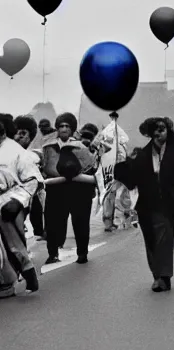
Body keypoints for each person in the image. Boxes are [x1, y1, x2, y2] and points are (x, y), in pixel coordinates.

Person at [115, 117, 174, 291]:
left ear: (168, 131)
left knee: (165, 240)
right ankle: (156, 275)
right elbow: (130, 181)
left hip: (167, 205)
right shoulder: (142, 155)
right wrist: (123, 162)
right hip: (146, 205)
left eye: (162, 129)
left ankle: (164, 277)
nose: (158, 133)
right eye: (155, 130)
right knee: (151, 241)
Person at [41, 113, 98, 265]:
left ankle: (82, 253)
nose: (64, 129)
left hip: (78, 189)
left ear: (72, 129)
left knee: (80, 221)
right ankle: (52, 253)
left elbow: (90, 167)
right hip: (56, 189)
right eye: (61, 126)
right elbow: (44, 167)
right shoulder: (48, 147)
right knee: (53, 222)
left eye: (67, 126)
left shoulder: (81, 146)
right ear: (57, 129)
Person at [0, 114, 42, 298]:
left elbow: (33, 180)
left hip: (10, 199)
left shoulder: (18, 152)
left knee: (14, 244)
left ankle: (27, 274)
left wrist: (17, 201)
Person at [14, 115, 46, 240]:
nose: (18, 136)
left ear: (29, 137)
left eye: (22, 133)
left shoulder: (32, 157)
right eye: (16, 132)